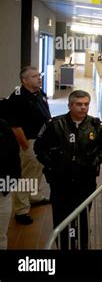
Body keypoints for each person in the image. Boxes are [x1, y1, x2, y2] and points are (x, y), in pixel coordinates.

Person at [34, 90, 102, 249]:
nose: (83, 108)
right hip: (60, 181)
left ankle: (82, 244)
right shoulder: (55, 124)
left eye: (86, 104)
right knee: (62, 216)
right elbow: (39, 147)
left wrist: (96, 161)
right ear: (70, 105)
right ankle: (63, 244)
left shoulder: (96, 125)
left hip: (86, 180)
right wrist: (52, 165)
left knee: (83, 216)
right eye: (79, 104)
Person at [8, 66, 51, 225]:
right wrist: (25, 146)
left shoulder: (39, 93)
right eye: (34, 76)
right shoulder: (17, 97)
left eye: (39, 75)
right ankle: (22, 209)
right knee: (26, 176)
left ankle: (35, 196)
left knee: (37, 170)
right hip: (29, 142)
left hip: (42, 141)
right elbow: (14, 126)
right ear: (24, 80)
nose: (39, 78)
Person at [0, 99, 21, 249]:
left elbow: (13, 154)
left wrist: (12, 180)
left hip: (3, 185)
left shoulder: (3, 126)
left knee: (1, 230)